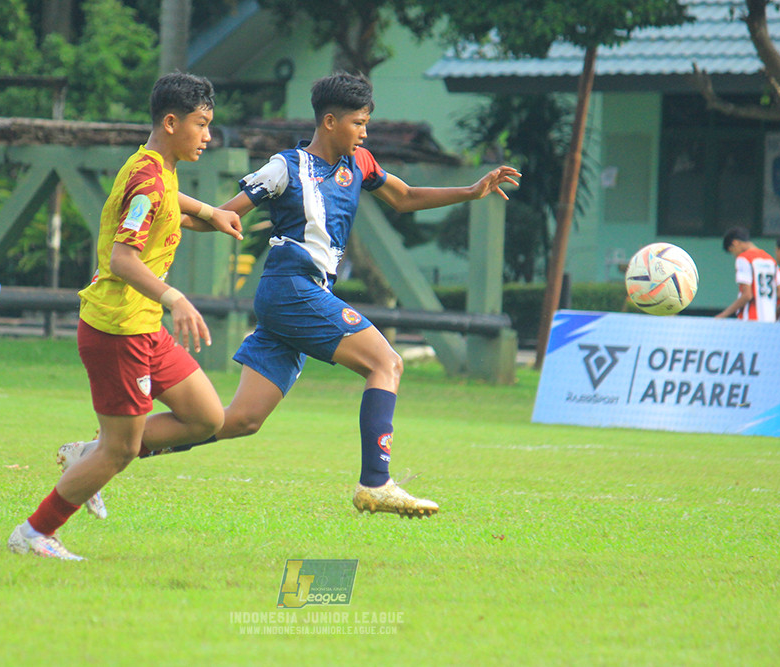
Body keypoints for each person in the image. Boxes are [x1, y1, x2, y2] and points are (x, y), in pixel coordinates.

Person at [121, 72, 519, 518]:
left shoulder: (361, 163)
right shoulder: (284, 167)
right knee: (386, 363)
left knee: (242, 420)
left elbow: (403, 197)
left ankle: (105, 450)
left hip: (300, 296)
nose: (364, 132)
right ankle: (376, 483)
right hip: (292, 288)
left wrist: (470, 191)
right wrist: (160, 202)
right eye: (358, 123)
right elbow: (219, 217)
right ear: (330, 121)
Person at [7, 72, 243, 560]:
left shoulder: (154, 164)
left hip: (143, 326)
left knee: (206, 417)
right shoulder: (148, 179)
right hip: (118, 330)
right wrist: (176, 298)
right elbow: (122, 259)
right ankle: (34, 532)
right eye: (201, 125)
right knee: (121, 450)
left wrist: (209, 212)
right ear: (172, 122)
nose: (207, 136)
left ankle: (89, 452)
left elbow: (166, 202)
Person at [715, 226, 780, 321]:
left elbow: (747, 295)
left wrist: (723, 315)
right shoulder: (771, 260)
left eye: (732, 251)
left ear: (735, 243)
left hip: (751, 321)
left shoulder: (744, 258)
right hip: (769, 321)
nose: (735, 256)